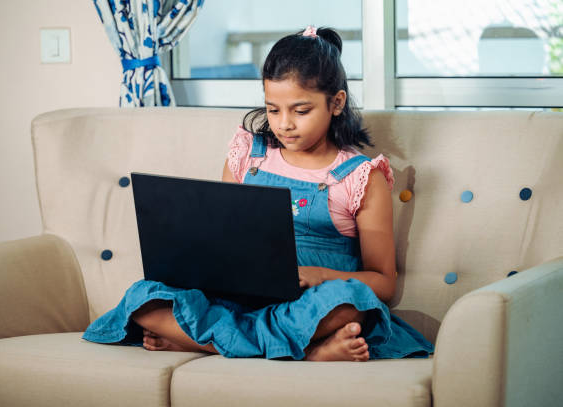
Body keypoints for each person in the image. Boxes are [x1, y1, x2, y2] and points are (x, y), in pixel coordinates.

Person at [82, 26, 434, 361]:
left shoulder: (359, 177)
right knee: (145, 297)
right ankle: (308, 352)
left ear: (337, 102)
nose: (284, 124)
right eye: (272, 109)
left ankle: (201, 342)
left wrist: (321, 275)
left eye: (301, 110)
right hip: (236, 298)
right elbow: (218, 238)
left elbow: (383, 283)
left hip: (308, 305)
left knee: (352, 302)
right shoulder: (247, 156)